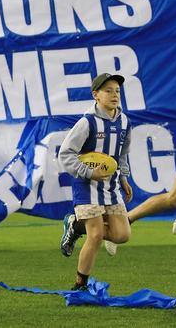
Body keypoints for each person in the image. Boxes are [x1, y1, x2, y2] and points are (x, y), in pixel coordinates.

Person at [58, 73, 133, 291]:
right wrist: (88, 173)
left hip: (111, 187)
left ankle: (75, 225)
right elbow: (65, 154)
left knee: (122, 235)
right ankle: (80, 284)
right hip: (86, 187)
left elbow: (122, 154)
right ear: (95, 95)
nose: (114, 95)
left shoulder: (125, 121)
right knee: (97, 235)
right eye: (108, 90)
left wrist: (125, 178)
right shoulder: (87, 122)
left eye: (117, 91)